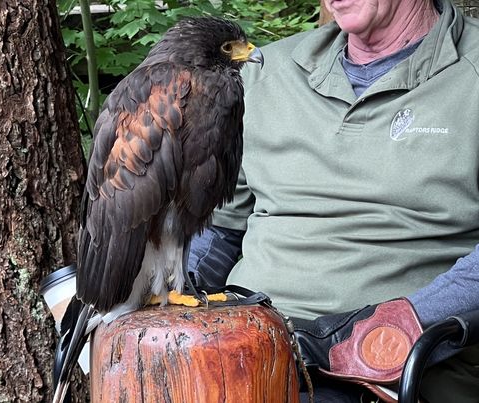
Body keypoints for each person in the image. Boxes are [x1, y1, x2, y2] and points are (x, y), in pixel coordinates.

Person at [187, 0, 479, 401]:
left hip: (392, 371)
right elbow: (220, 227)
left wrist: (388, 328)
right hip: (240, 350)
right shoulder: (264, 72)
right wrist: (170, 291)